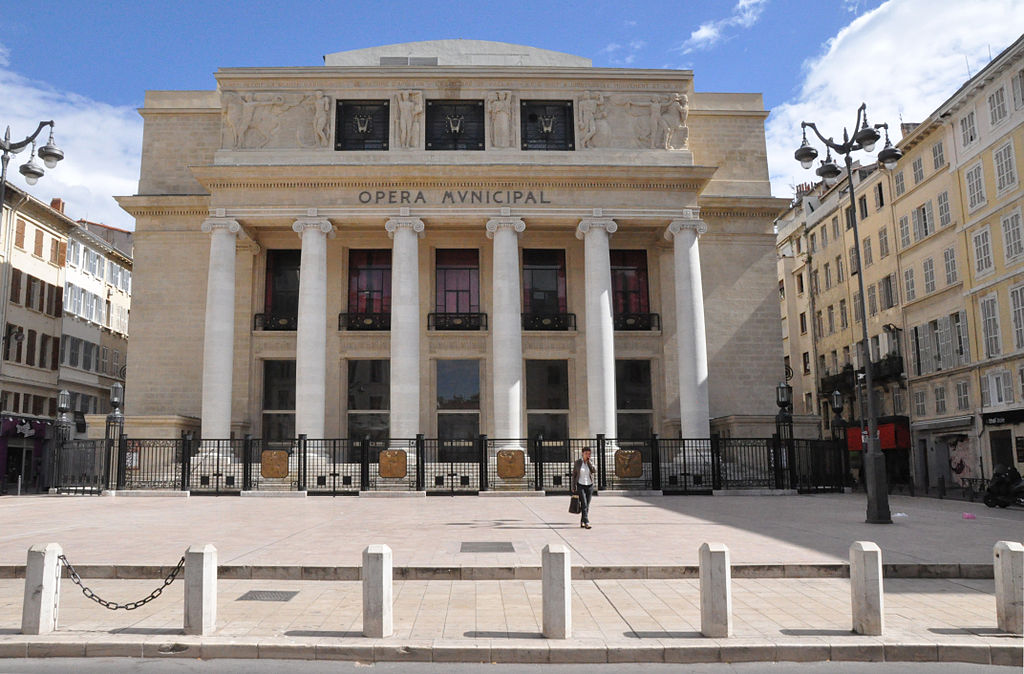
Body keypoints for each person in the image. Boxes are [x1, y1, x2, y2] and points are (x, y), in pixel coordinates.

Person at [571, 447, 596, 529]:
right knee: (584, 503)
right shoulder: (578, 463)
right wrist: (573, 486)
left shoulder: (591, 462)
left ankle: (582, 521)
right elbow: (574, 475)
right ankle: (587, 522)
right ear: (582, 453)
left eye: (589, 454)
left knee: (587, 505)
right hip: (580, 485)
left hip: (589, 485)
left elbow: (594, 471)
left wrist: (589, 463)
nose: (587, 455)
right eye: (586, 453)